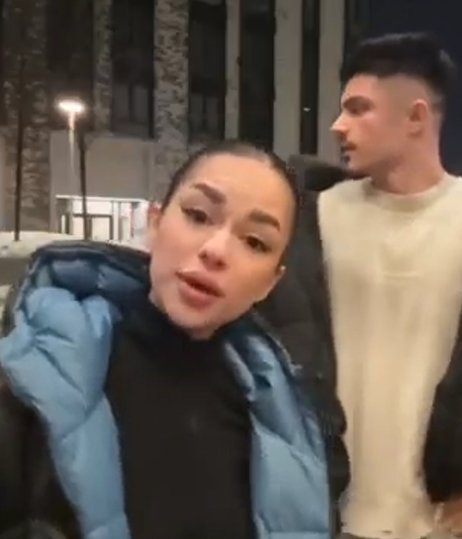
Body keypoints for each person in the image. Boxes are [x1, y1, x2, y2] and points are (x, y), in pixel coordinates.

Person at [0, 141, 336, 539]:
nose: (216, 251)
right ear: (155, 223)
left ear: (270, 282)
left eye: (254, 242)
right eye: (198, 215)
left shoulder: (287, 413)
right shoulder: (31, 374)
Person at [261, 32, 462, 539]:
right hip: (328, 515)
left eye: (359, 109)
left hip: (452, 523)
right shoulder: (310, 218)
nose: (338, 125)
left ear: (416, 117)